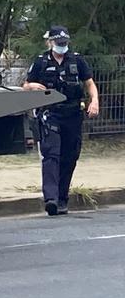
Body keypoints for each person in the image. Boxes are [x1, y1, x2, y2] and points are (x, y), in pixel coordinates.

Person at [22, 26, 100, 216]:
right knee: (51, 155)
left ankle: (63, 198)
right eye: (58, 43)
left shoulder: (77, 60)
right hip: (50, 115)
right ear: (50, 42)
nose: (61, 47)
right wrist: (31, 86)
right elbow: (25, 85)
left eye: (64, 43)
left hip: (73, 114)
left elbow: (89, 83)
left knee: (70, 156)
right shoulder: (41, 62)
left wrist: (95, 101)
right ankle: (51, 199)